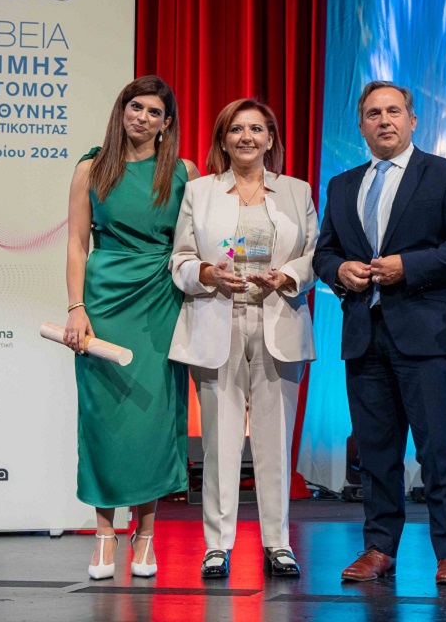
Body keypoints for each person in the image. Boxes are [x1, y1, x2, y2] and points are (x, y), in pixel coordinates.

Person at [313, 81, 446, 586]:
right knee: (375, 453)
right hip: (363, 335)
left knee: (438, 449)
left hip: (428, 335)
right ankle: (379, 548)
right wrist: (338, 270)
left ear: (412, 120)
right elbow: (325, 251)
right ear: (361, 126)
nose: (384, 120)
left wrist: (407, 267)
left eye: (393, 111)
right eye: (373, 113)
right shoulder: (342, 185)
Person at [169, 98, 317, 579]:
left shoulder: (296, 190)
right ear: (223, 139)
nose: (246, 137)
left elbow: (315, 254)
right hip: (218, 320)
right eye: (236, 129)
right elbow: (180, 258)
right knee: (220, 443)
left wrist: (288, 276)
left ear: (271, 139)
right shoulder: (199, 191)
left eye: (256, 129)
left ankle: (278, 543)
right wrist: (206, 273)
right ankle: (217, 545)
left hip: (279, 321)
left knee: (275, 444)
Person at [63, 75, 200, 580]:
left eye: (153, 112)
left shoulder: (184, 172)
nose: (142, 117)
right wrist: (76, 306)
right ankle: (104, 533)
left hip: (160, 300)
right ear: (122, 111)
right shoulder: (91, 167)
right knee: (104, 417)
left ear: (167, 123)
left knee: (152, 418)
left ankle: (145, 535)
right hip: (103, 299)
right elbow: (77, 244)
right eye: (135, 107)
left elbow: (198, 241)